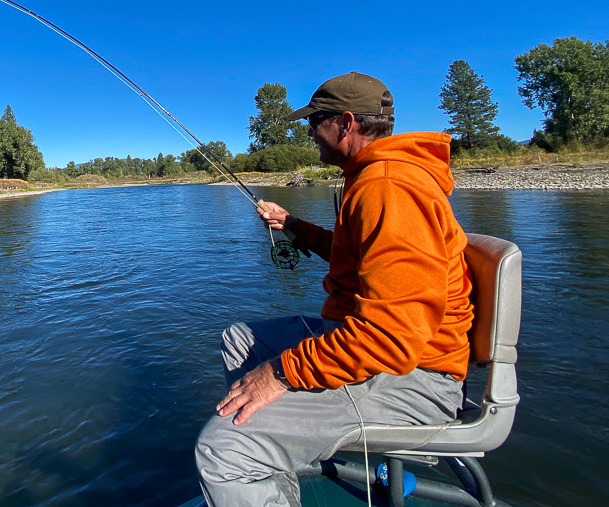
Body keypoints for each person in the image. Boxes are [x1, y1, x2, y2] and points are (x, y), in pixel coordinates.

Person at [195, 71, 474, 507]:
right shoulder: (372, 177)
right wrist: (294, 227)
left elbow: (392, 337)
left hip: (417, 376)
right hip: (387, 350)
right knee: (240, 339)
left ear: (345, 123)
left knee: (223, 450)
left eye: (315, 121)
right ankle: (279, 456)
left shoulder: (388, 187)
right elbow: (358, 258)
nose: (310, 132)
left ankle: (254, 453)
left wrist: (281, 374)